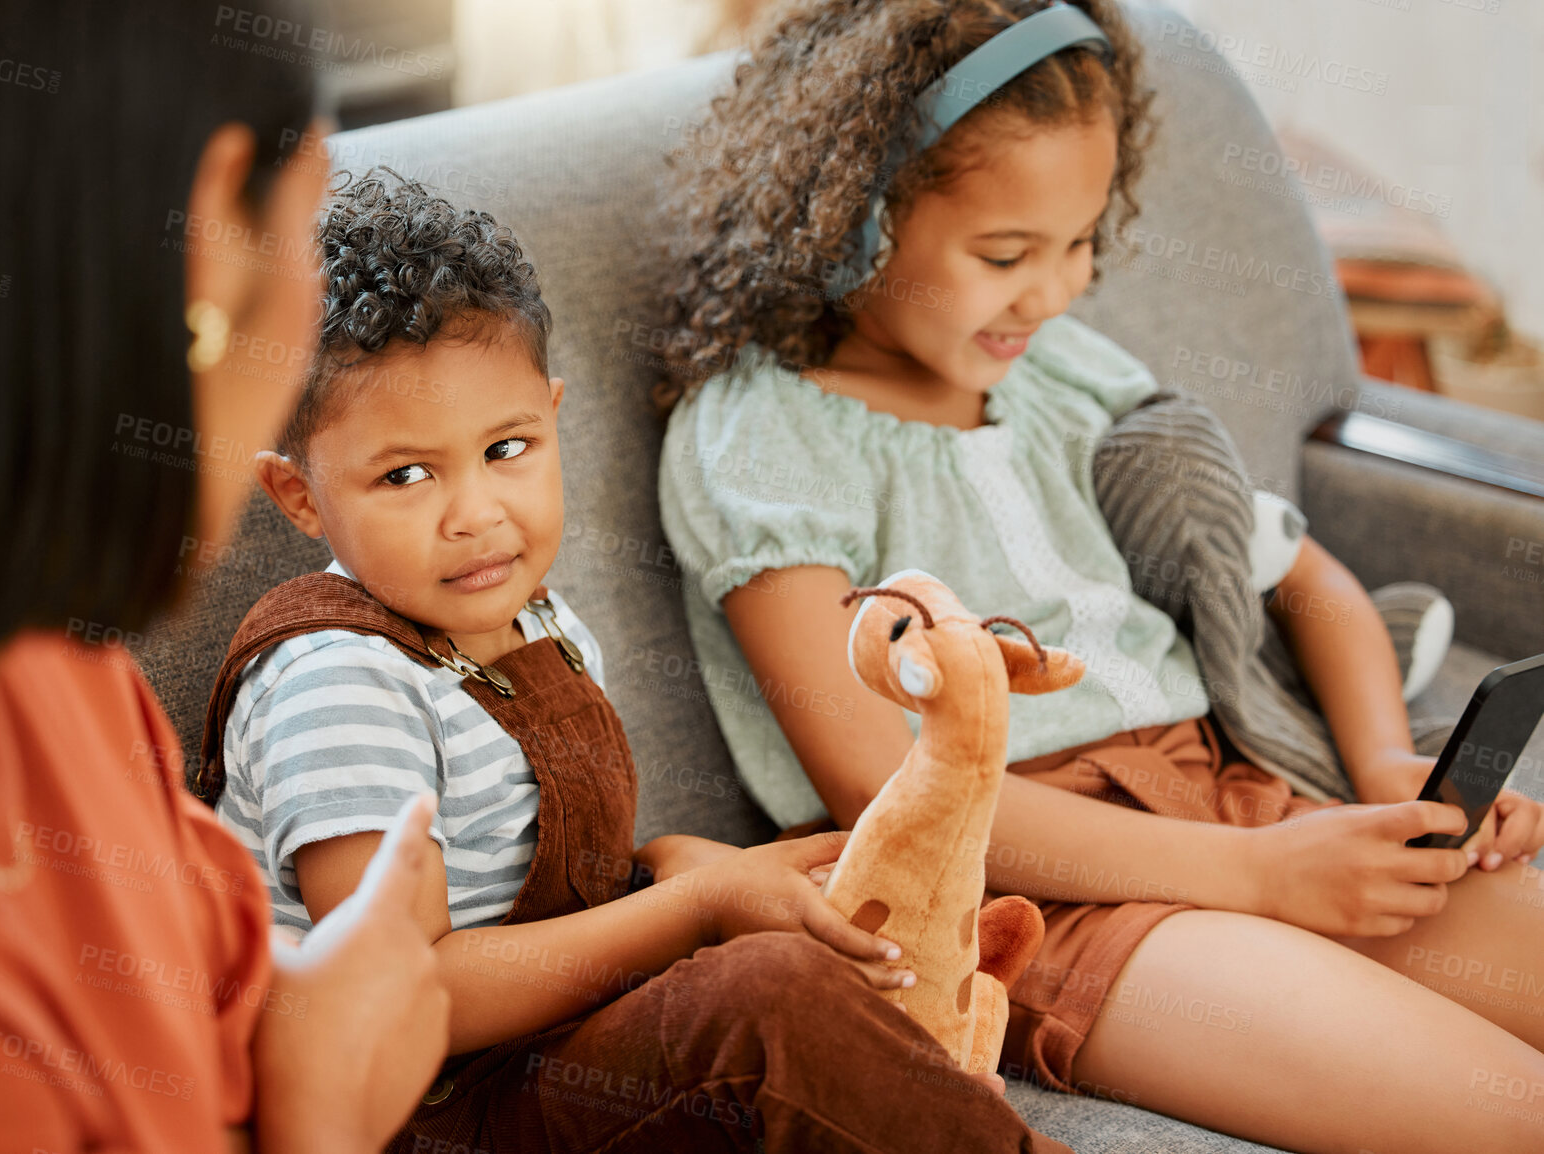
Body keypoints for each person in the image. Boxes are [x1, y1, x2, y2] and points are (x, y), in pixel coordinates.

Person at [651, 2, 1544, 1151]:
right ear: (853, 218)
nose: (1056, 292)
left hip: (1233, 793)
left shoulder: (1063, 367)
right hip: (1040, 895)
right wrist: (1257, 877)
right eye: (1006, 255)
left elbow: (1298, 570)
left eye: (1082, 244)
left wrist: (1379, 767)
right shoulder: (760, 438)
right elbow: (885, 782)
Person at [201, 166, 1074, 1154]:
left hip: (562, 1053)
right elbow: (414, 993)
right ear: (301, 495)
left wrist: (668, 865)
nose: (477, 512)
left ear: (553, 413)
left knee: (845, 919)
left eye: (507, 447)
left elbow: (555, 870)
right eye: (405, 474)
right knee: (764, 993)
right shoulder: (335, 683)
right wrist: (691, 910)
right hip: (432, 1106)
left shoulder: (540, 621)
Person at [0, 1, 448, 1150]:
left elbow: (244, 993)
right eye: (307, 227)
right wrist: (328, 1119)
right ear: (212, 242)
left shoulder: (48, 658)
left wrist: (324, 1005)